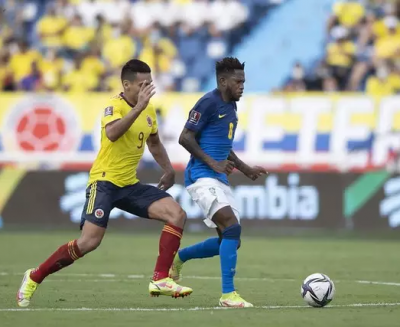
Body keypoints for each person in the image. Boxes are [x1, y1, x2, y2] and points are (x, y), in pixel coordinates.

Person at [17, 59, 192, 308]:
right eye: (142, 85)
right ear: (126, 84)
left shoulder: (149, 109)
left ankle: (160, 279)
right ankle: (35, 276)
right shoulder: (114, 106)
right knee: (89, 242)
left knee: (177, 214)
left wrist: (168, 169)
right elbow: (113, 133)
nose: (147, 90)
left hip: (129, 184)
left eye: (150, 84)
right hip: (104, 182)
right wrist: (138, 107)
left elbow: (154, 142)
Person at [170, 57, 267, 308]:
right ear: (223, 81)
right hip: (201, 176)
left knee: (230, 240)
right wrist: (213, 163)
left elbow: (224, 146)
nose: (242, 86)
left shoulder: (232, 107)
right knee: (231, 227)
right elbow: (185, 137)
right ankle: (228, 295)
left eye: (243, 81)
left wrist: (244, 168)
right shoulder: (208, 102)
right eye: (238, 81)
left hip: (218, 177)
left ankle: (179, 258)